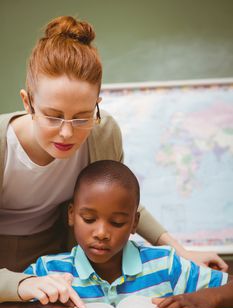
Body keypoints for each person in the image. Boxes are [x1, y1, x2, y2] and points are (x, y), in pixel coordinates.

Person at [0, 15, 227, 284]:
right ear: (28, 103)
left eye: (83, 116)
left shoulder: (104, 133)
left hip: (54, 267)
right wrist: (20, 287)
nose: (67, 132)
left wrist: (181, 251)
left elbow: (120, 201)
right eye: (53, 116)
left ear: (97, 104)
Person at [0, 160, 232, 308]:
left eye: (118, 222)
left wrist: (208, 298)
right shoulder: (48, 272)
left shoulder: (167, 265)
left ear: (134, 223)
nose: (101, 233)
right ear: (71, 215)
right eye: (89, 219)